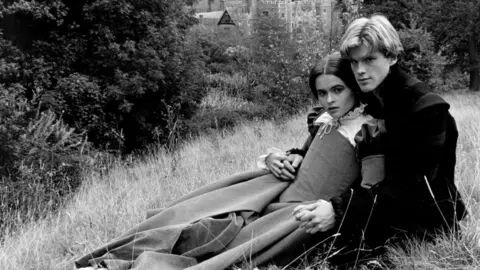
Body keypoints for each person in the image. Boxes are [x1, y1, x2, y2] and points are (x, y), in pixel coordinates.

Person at [75, 52, 386, 270]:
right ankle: (114, 262)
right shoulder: (323, 120)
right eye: (321, 93)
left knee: (228, 251)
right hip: (272, 196)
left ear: (353, 87)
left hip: (296, 217)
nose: (329, 100)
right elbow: (305, 155)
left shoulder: (369, 130)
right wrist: (281, 157)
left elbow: (371, 189)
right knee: (202, 224)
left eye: (337, 90)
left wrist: (336, 211)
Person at [292, 14, 468, 267]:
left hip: (421, 224)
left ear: (392, 56)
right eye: (354, 62)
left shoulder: (425, 109)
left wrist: (339, 210)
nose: (360, 71)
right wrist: (298, 153)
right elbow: (334, 128)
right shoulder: (372, 98)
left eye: (369, 59)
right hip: (374, 208)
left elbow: (412, 190)